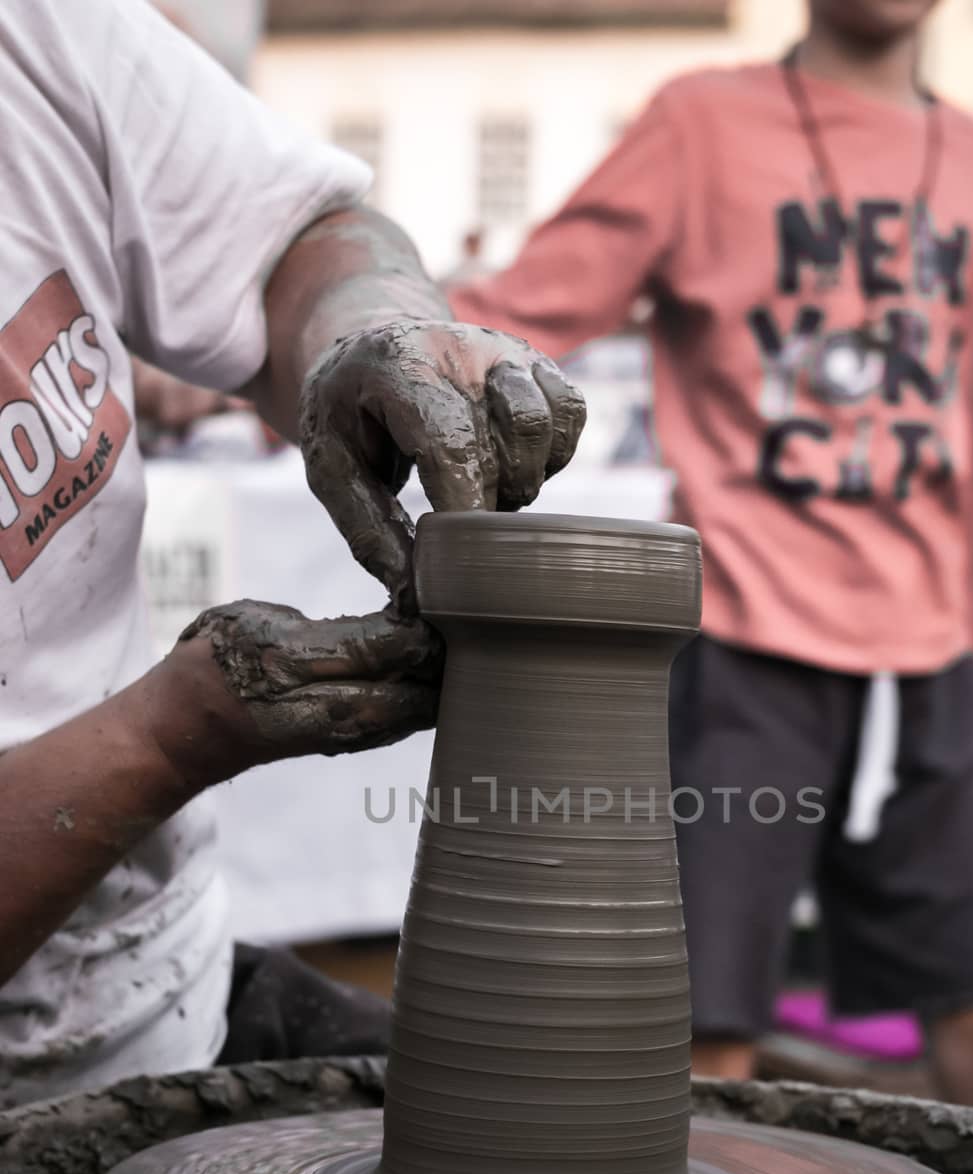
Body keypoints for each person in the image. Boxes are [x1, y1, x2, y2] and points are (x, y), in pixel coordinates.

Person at [453, 0, 973, 1123]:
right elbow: (517, 311)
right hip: (742, 645)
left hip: (927, 663)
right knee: (697, 1031)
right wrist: (329, 342)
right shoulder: (699, 123)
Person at [0, 0, 584, 1106]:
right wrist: (170, 737)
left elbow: (297, 240)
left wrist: (370, 333)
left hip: (164, 990)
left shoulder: (32, 31)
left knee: (553, 1138)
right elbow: (172, 733)